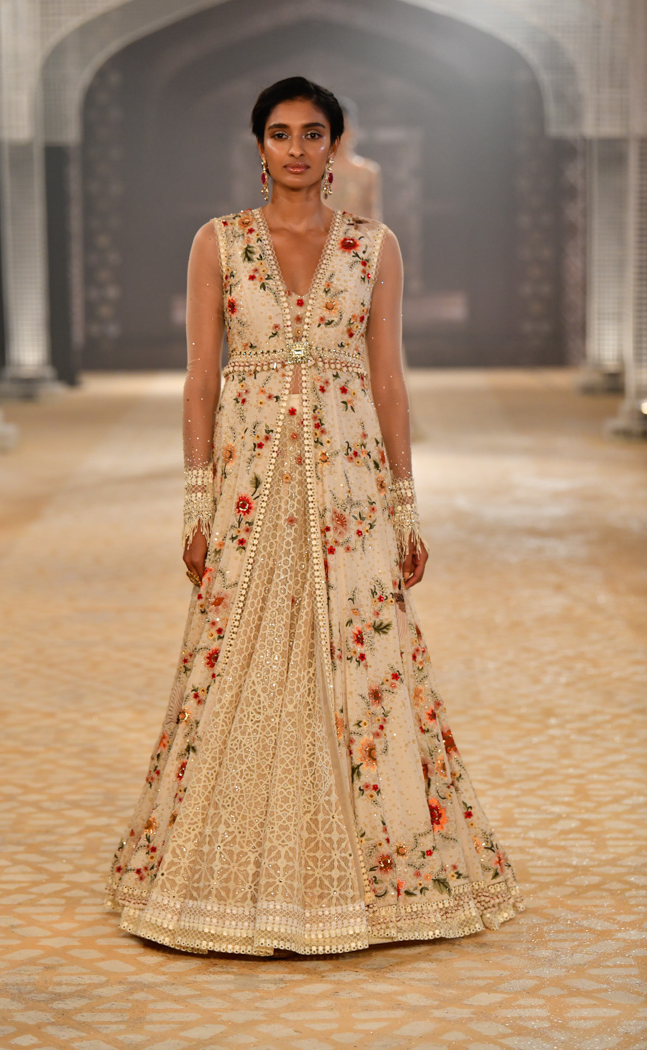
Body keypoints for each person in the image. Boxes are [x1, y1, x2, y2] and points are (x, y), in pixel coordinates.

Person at [105, 76, 525, 956]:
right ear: (257, 145)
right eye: (280, 133)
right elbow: (202, 379)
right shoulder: (219, 243)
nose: (296, 148)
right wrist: (197, 499)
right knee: (236, 660)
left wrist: (405, 505)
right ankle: (224, 871)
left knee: (363, 663)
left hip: (348, 487)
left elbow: (387, 379)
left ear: (336, 144)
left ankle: (384, 879)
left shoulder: (373, 246)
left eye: (312, 133)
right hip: (252, 483)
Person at [328, 96, 383, 220]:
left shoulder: (368, 171)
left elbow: (373, 213)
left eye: (343, 129)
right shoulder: (316, 171)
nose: (338, 136)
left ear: (353, 130)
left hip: (357, 232)